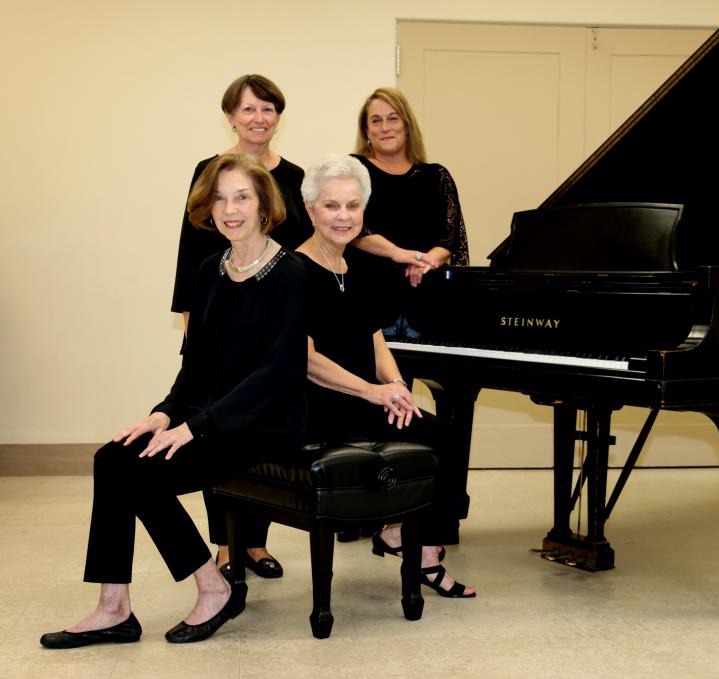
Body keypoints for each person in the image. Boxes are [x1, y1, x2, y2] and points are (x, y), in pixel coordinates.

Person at [40, 154, 308, 648]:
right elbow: (197, 366)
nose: (230, 209)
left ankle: (212, 586)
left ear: (264, 204)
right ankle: (114, 606)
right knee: (113, 458)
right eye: (221, 198)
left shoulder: (292, 274)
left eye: (242, 197)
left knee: (138, 474)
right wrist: (163, 413)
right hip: (210, 417)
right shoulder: (212, 269)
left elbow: (276, 374)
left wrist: (195, 427)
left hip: (264, 424)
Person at [297, 154, 474, 598]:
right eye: (332, 206)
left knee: (442, 436)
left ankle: (414, 545)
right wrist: (373, 393)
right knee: (432, 436)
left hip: (363, 397)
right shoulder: (293, 270)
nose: (343, 216)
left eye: (353, 206)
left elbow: (375, 337)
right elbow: (305, 359)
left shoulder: (354, 269)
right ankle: (410, 546)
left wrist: (395, 386)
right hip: (316, 405)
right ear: (311, 210)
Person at [171, 74, 312, 579]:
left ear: (279, 117)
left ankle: (255, 542)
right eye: (249, 109)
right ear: (230, 116)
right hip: (217, 317)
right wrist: (192, 326)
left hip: (270, 320)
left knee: (258, 423)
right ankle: (225, 543)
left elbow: (304, 250)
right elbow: (191, 254)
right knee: (212, 419)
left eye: (268, 109)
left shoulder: (294, 176)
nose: (259, 119)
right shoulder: (209, 171)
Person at [349, 87, 469, 338]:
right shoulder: (353, 170)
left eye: (393, 118)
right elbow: (352, 228)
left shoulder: (437, 176)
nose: (385, 127)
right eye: (376, 120)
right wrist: (401, 254)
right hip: (369, 303)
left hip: (426, 303)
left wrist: (426, 262)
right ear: (367, 131)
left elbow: (450, 237)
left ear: (406, 126)